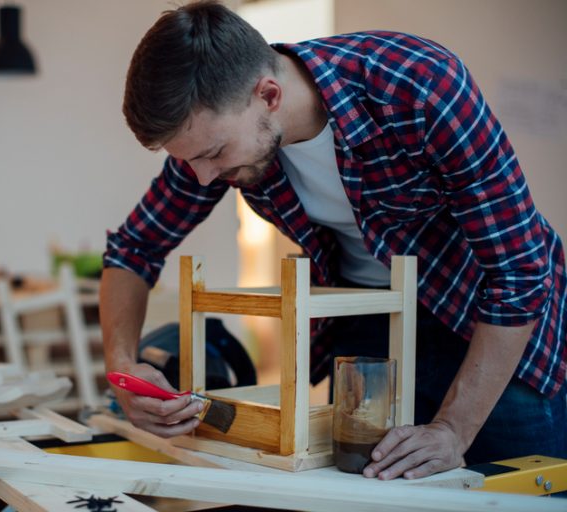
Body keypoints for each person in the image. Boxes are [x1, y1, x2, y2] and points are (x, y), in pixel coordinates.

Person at [100, 0, 566, 480]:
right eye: (192, 160)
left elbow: (519, 271)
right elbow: (135, 247)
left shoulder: (419, 85)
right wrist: (122, 366)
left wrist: (453, 428)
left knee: (526, 491)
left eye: (215, 154)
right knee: (366, 491)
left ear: (269, 95)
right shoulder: (219, 138)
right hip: (369, 326)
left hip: (493, 325)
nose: (202, 179)